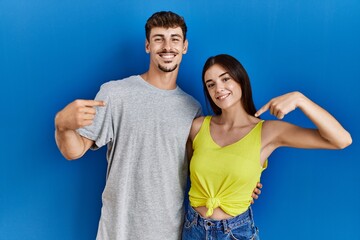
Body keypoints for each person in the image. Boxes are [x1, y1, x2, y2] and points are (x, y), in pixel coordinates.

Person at [54, 12, 262, 240]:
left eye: (174, 39)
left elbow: (205, 169)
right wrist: (62, 125)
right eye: (159, 38)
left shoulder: (192, 110)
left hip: (170, 233)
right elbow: (73, 151)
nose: (167, 46)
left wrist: (242, 185)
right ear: (147, 45)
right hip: (117, 231)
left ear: (184, 46)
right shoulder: (115, 93)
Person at [182, 54, 352, 240]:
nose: (219, 88)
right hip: (193, 228)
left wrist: (300, 99)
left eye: (225, 79)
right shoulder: (197, 127)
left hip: (235, 233)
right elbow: (188, 175)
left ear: (240, 80)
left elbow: (341, 140)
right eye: (210, 84)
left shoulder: (268, 132)